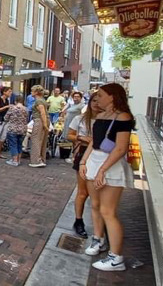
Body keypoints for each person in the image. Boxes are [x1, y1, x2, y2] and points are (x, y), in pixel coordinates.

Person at [79, 83, 135, 272]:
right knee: (95, 205)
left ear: (112, 97)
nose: (98, 99)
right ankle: (98, 239)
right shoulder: (100, 116)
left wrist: (103, 169)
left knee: (108, 211)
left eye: (101, 95)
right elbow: (94, 142)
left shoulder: (124, 117)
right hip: (95, 162)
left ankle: (116, 257)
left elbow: (120, 148)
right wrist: (83, 162)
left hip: (110, 165)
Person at [69, 96, 102, 239]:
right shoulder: (80, 119)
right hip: (83, 153)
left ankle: (100, 226)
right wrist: (82, 138)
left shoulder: (106, 120)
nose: (96, 104)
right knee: (83, 192)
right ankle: (78, 221)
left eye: (99, 101)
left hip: (102, 155)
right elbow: (69, 135)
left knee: (99, 192)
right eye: (94, 101)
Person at [28, 85, 50, 168]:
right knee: (43, 140)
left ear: (36, 92)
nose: (31, 92)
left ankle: (36, 160)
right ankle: (42, 158)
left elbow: (42, 113)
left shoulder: (38, 101)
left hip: (39, 120)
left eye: (32, 91)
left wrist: (44, 124)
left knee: (36, 140)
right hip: (44, 120)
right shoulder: (43, 100)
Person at [3, 97, 28, 167]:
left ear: (15, 101)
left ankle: (14, 160)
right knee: (19, 144)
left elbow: (5, 118)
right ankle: (19, 160)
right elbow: (27, 118)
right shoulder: (26, 109)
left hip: (13, 129)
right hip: (23, 129)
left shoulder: (12, 108)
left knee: (13, 145)